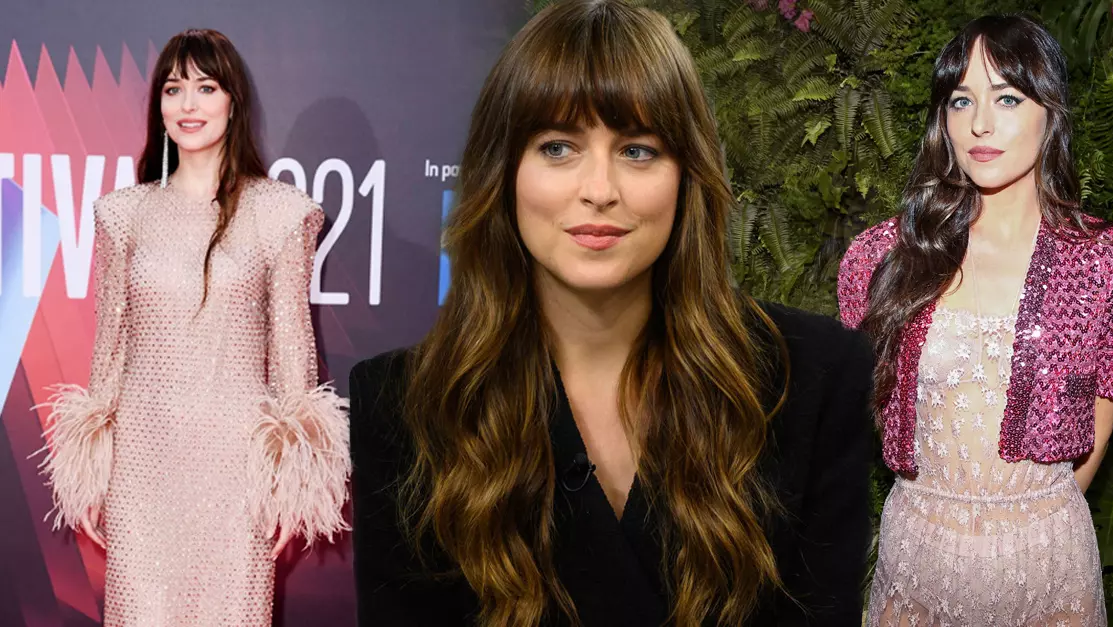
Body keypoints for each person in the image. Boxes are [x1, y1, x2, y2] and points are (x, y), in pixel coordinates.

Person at [349, 1, 873, 625]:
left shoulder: (814, 378)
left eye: (638, 151)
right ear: (503, 171)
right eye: (558, 147)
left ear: (687, 176)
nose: (599, 190)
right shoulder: (402, 406)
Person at [838, 15, 1113, 626]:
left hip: (1048, 560)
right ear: (943, 119)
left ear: (1050, 113)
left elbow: (1098, 425)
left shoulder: (1110, 261)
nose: (980, 123)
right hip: (918, 555)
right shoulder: (881, 258)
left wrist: (1031, 523)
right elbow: (869, 408)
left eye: (1007, 98)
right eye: (962, 101)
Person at [36, 29, 350, 626]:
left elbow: (294, 357)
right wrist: (92, 475)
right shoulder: (123, 215)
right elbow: (109, 354)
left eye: (206, 88)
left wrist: (292, 481)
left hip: (234, 476)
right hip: (141, 470)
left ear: (233, 101)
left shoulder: (280, 214)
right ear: (158, 103)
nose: (188, 104)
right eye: (174, 89)